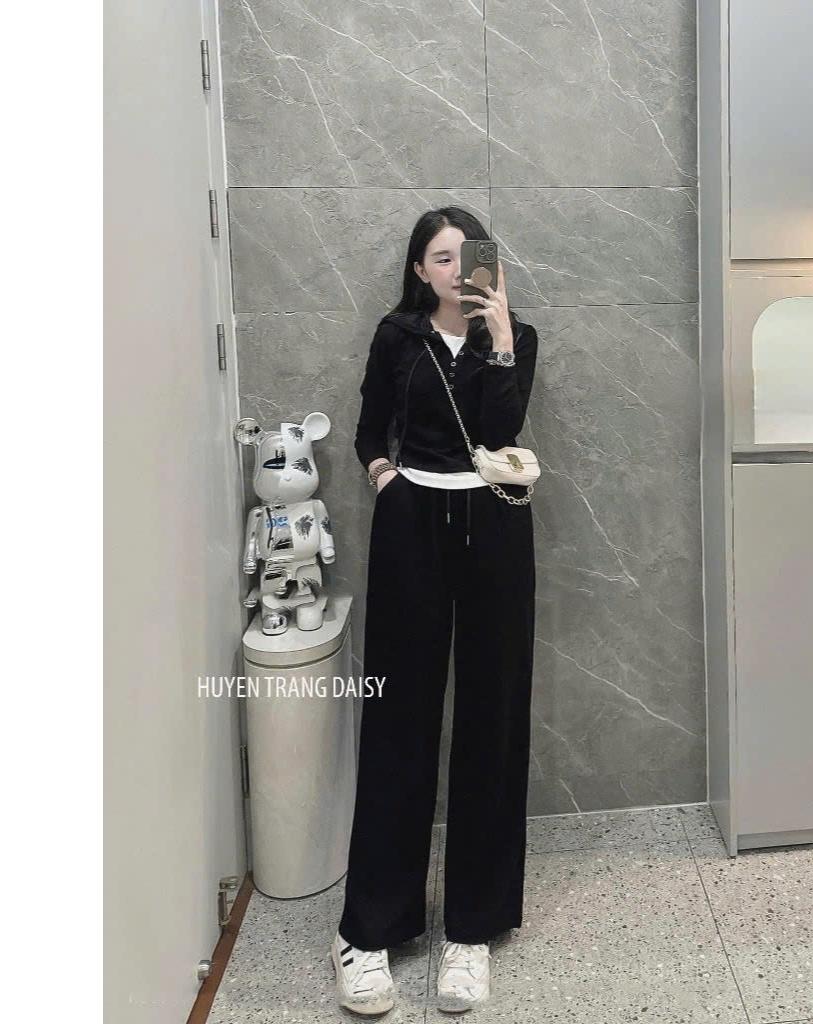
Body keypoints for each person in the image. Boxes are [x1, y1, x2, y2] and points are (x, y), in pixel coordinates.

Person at [330, 207, 539, 1016]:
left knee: (492, 716)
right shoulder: (397, 336)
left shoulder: (515, 337)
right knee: (400, 719)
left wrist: (501, 338)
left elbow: (500, 427)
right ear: (419, 269)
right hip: (412, 523)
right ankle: (369, 930)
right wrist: (387, 480)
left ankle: (471, 932)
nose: (456, 269)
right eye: (441, 257)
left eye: (468, 255)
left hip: (495, 523)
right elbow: (366, 428)